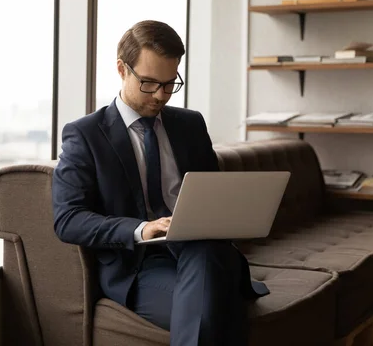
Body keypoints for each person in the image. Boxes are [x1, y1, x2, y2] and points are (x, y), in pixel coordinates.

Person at [52, 20, 269, 346]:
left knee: (207, 255)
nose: (160, 95)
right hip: (139, 267)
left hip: (202, 250)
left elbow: (214, 196)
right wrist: (142, 229)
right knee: (214, 308)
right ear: (122, 70)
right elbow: (68, 220)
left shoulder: (190, 125)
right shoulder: (85, 135)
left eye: (170, 84)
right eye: (149, 83)